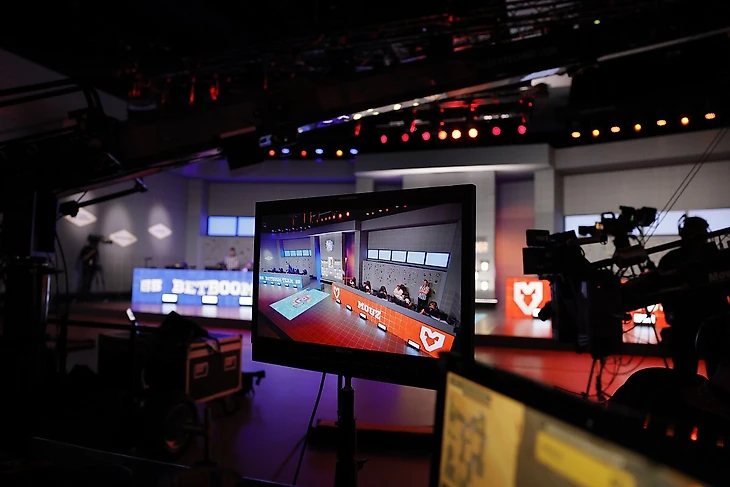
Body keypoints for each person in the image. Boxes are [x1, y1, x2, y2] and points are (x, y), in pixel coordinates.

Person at [658, 216, 730, 381]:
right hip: (699, 322)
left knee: (688, 373)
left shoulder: (670, 259)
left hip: (694, 323)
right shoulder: (716, 256)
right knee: (705, 372)